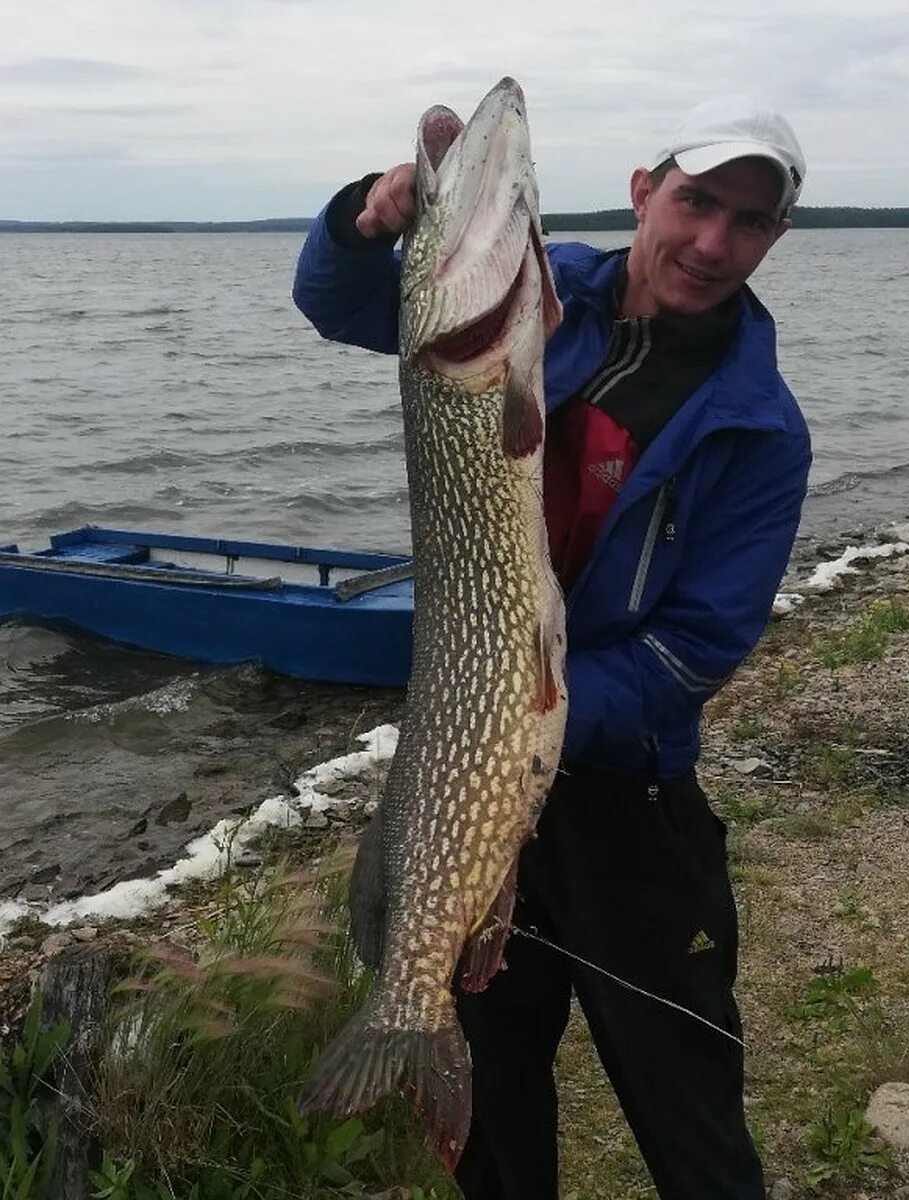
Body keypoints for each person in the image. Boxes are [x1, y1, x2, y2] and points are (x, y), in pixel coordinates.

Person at [292, 93, 812, 1200]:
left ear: (774, 239)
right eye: (697, 202)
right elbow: (337, 301)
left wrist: (544, 705)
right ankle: (418, 1034)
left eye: (750, 222)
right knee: (496, 1105)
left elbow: (695, 654)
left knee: (688, 1094)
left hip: (622, 790)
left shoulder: (760, 427)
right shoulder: (539, 296)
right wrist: (367, 220)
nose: (714, 242)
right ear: (644, 193)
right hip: (466, 778)